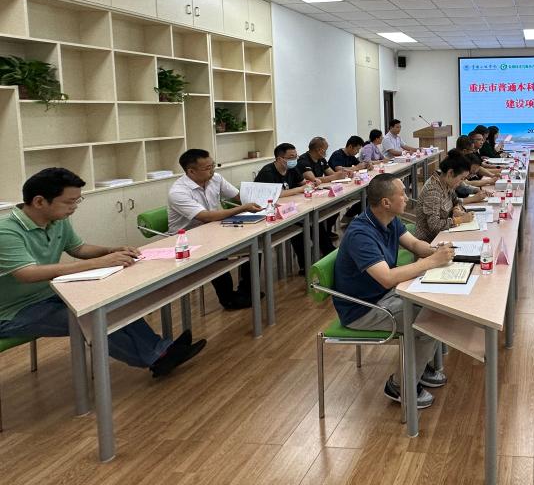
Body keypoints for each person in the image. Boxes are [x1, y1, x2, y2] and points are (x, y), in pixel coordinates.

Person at [0, 168, 205, 377]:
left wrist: (111, 250)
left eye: (77, 201)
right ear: (39, 201)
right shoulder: (6, 230)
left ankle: (161, 351)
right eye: (69, 202)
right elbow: (27, 273)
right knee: (90, 319)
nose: (74, 207)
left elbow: (78, 249)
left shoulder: (57, 220)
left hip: (51, 294)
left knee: (109, 303)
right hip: (12, 312)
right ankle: (156, 357)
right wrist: (98, 262)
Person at [332, 173, 455, 408]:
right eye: (402, 194)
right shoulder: (361, 234)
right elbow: (387, 278)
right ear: (386, 202)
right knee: (431, 320)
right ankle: (400, 385)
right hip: (363, 309)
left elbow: (414, 244)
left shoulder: (388, 220)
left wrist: (436, 251)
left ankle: (418, 367)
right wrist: (432, 262)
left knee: (436, 303)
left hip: (383, 296)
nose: (407, 198)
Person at [167, 149, 264, 310]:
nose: (212, 170)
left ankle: (247, 290)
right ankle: (228, 299)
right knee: (217, 254)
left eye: (213, 165)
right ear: (191, 171)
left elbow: (239, 196)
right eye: (207, 168)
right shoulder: (178, 192)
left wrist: (265, 200)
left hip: (214, 228)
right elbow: (205, 216)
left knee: (253, 244)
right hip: (187, 239)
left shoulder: (215, 178)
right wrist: (243, 208)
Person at [255, 143, 332, 270]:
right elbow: (276, 195)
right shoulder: (267, 172)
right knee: (300, 226)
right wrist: (300, 189)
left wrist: (312, 183)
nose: (295, 159)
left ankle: (328, 254)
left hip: (288, 208)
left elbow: (303, 184)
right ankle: (306, 265)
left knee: (313, 221)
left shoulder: (292, 168)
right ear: (280, 159)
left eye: (296, 156)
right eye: (291, 157)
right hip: (267, 214)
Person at [414, 153, 476, 242]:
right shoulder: (433, 191)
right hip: (430, 242)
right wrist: (460, 220)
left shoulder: (446, 183)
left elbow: (456, 201)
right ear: (450, 173)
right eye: (462, 178)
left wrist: (456, 209)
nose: (461, 182)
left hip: (446, 234)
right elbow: (434, 225)